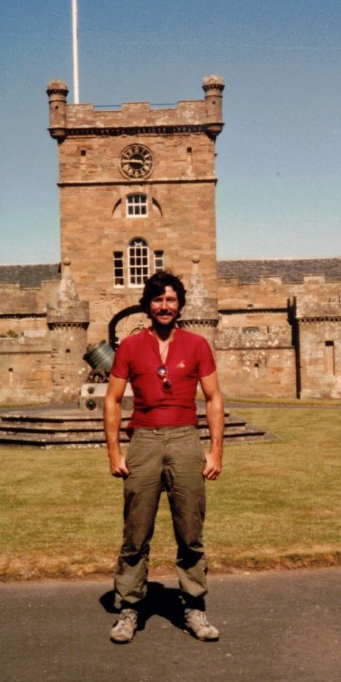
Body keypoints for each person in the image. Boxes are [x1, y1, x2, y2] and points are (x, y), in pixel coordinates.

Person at [104, 270, 224, 644]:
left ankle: (193, 606)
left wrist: (215, 450)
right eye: (158, 300)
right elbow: (111, 400)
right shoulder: (130, 346)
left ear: (180, 304)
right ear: (148, 305)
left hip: (186, 439)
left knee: (190, 530)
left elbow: (214, 399)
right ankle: (130, 608)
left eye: (171, 300)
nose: (165, 306)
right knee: (135, 531)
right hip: (144, 440)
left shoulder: (198, 344)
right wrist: (114, 451)